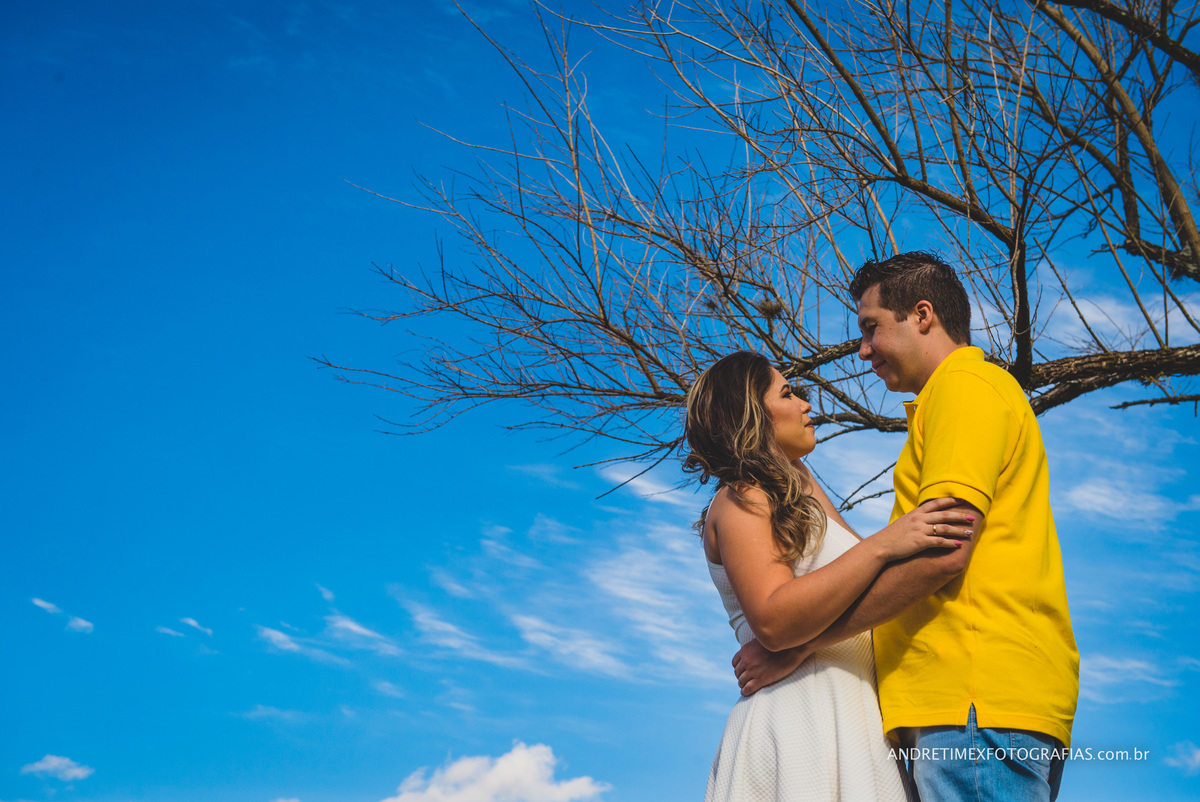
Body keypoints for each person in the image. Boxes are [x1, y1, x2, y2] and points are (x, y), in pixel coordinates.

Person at [732, 252, 1079, 801]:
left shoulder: (965, 388)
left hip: (971, 701)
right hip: (957, 707)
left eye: (871, 328)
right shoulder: (949, 401)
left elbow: (943, 551)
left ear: (922, 315)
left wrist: (803, 646)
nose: (863, 349)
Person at [684, 350, 975, 801]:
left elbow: (864, 582)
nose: (806, 403)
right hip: (801, 717)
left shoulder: (798, 481)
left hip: (857, 715)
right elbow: (775, 620)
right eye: (787, 393)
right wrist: (884, 543)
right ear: (752, 415)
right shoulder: (741, 498)